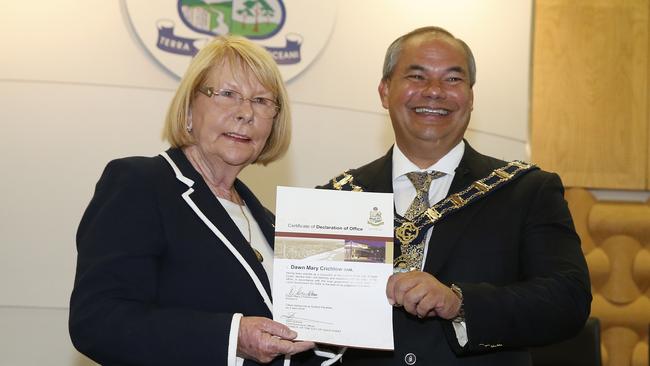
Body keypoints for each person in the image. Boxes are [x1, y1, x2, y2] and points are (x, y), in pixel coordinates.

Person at [318, 26, 592, 365]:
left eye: (452, 80)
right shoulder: (336, 198)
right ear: (385, 91)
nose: (434, 92)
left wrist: (459, 303)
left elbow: (568, 301)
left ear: (471, 97)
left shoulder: (526, 190)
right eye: (417, 76)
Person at [70, 35, 321, 366]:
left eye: (261, 101)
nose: (245, 113)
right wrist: (232, 337)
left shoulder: (271, 221)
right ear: (189, 108)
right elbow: (97, 320)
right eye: (227, 94)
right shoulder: (140, 184)